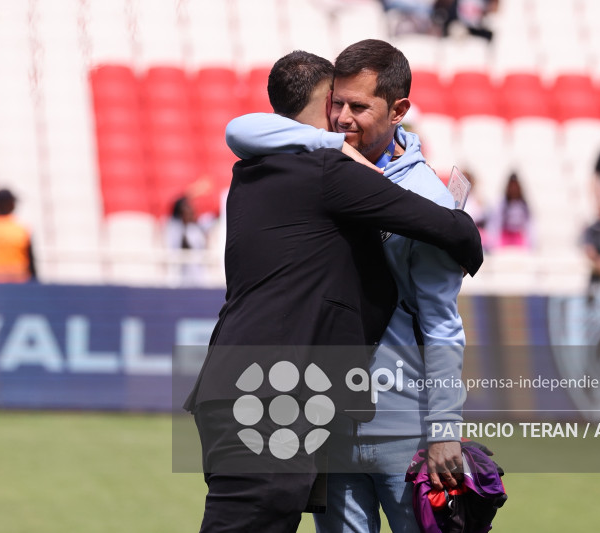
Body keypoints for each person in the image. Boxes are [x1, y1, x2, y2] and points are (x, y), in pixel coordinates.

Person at [186, 50, 483, 533]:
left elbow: (441, 322)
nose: (343, 119)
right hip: (324, 420)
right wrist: (329, 143)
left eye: (359, 108)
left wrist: (445, 428)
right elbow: (243, 129)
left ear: (398, 110)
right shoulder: (319, 166)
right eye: (336, 104)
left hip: (400, 426)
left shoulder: (422, 192)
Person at [165, 195, 208, 287]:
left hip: (196, 275)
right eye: (186, 212)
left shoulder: (196, 230)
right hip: (178, 274)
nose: (190, 214)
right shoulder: (173, 229)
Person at [486, 172, 531, 249]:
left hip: (518, 236)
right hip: (505, 236)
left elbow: (528, 223)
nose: (513, 189)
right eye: (511, 186)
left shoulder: (523, 204)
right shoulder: (503, 204)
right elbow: (496, 222)